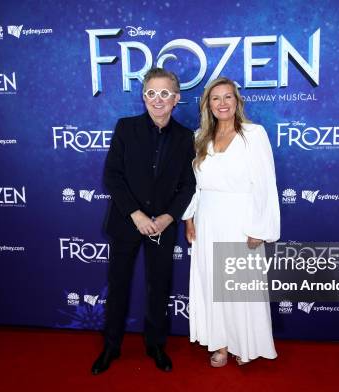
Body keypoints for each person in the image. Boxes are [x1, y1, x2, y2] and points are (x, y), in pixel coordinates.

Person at [91, 68, 196, 375]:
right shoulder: (125, 128)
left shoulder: (185, 137)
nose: (158, 100)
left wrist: (167, 217)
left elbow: (188, 185)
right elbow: (113, 176)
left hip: (163, 227)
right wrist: (135, 214)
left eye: (165, 93)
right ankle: (111, 346)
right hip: (127, 223)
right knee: (119, 286)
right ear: (143, 96)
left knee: (159, 287)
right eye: (152, 93)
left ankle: (156, 345)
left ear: (176, 99)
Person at [183, 77, 280, 367]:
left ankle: (244, 344)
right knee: (212, 284)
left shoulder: (254, 133)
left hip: (241, 219)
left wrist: (259, 228)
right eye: (216, 98)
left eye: (228, 97)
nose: (222, 103)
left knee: (239, 286)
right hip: (208, 218)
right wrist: (189, 217)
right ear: (207, 104)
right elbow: (195, 184)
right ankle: (222, 345)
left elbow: (265, 183)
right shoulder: (200, 136)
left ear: (237, 101)